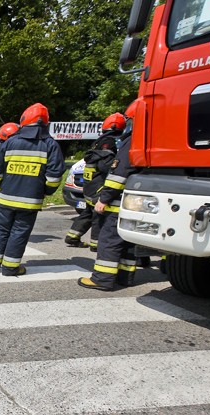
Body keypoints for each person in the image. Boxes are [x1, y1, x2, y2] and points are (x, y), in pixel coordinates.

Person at [0, 103, 65, 276]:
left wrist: (3, 186)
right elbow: (54, 177)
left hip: (5, 198)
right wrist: (44, 191)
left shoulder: (11, 142)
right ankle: (11, 268)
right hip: (30, 201)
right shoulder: (50, 145)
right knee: (19, 233)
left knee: (0, 230)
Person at [79, 107, 138, 291]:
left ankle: (102, 278)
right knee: (128, 239)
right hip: (135, 200)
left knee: (109, 239)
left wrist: (103, 198)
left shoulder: (129, 142)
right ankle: (125, 276)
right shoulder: (145, 139)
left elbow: (118, 174)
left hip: (118, 199)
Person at [65, 112, 126, 250]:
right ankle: (96, 244)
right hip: (98, 185)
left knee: (88, 212)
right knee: (99, 214)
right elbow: (106, 165)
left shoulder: (99, 140)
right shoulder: (111, 142)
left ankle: (73, 236)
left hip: (90, 185)